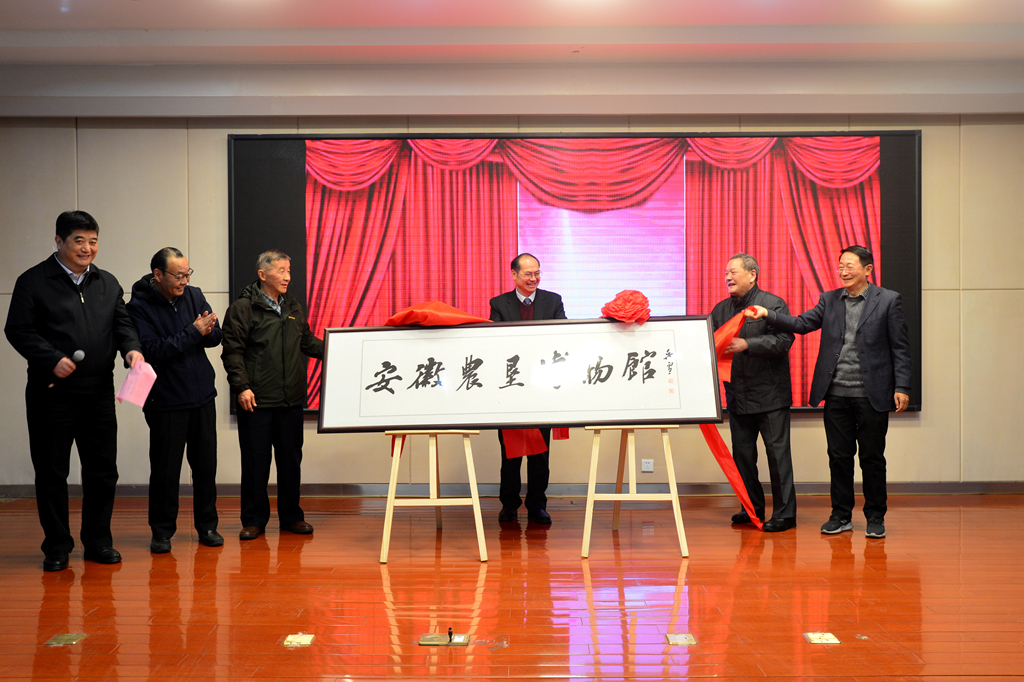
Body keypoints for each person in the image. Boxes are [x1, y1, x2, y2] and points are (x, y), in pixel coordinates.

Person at [4, 210, 144, 571]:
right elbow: (17, 329)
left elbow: (123, 325)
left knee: (102, 470)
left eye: (93, 241)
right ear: (59, 241)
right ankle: (57, 546)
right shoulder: (33, 281)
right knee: (52, 471)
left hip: (98, 392)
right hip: (52, 393)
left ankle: (98, 541)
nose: (87, 248)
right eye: (79, 240)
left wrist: (132, 350)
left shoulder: (107, 282)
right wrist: (51, 358)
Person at [747, 245, 911, 538]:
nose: (843, 272)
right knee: (838, 457)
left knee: (872, 458)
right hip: (836, 393)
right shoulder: (830, 299)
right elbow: (801, 324)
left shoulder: (888, 300)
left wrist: (902, 386)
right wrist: (767, 314)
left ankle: (875, 516)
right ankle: (841, 515)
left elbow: (900, 348)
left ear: (868, 269)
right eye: (840, 266)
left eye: (850, 266)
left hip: (872, 394)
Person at [126, 247, 223, 554]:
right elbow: (152, 349)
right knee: (166, 470)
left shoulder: (194, 295)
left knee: (205, 467)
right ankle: (162, 531)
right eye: (178, 275)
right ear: (158, 274)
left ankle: (207, 526)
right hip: (166, 400)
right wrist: (194, 332)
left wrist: (207, 332)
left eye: (187, 274)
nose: (184, 281)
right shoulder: (138, 307)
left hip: (202, 395)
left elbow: (215, 336)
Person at [221, 250, 323, 541]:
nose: (287, 276)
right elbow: (232, 351)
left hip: (291, 399)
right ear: (263, 274)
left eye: (289, 270)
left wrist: (339, 347)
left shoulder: (292, 305)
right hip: (257, 400)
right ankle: (254, 520)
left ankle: (292, 517)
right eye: (281, 270)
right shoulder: (243, 308)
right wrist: (241, 386)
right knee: (256, 463)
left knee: (290, 462)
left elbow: (306, 341)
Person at [710, 254, 797, 532]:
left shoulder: (772, 304)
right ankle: (751, 508)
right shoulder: (720, 310)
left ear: (752, 275)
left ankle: (785, 514)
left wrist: (748, 344)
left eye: (733, 272)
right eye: (726, 272)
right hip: (738, 395)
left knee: (777, 457)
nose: (728, 277)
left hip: (771, 395)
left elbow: (784, 340)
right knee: (743, 457)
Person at [489, 253, 566, 525]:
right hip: (511, 386)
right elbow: (496, 343)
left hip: (542, 387)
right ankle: (509, 504)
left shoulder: (553, 301)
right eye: (528, 274)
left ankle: (537, 505)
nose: (534, 278)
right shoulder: (499, 304)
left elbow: (562, 337)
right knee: (509, 453)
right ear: (514, 275)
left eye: (537, 273)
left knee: (540, 452)